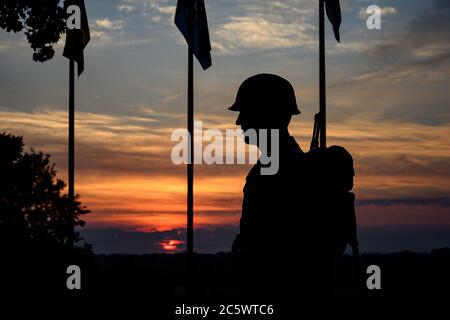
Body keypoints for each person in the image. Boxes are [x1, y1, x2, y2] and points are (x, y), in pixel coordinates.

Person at [229, 73, 331, 299]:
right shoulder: (276, 166)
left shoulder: (278, 170)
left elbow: (275, 245)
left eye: (245, 112)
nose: (239, 122)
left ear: (265, 114)